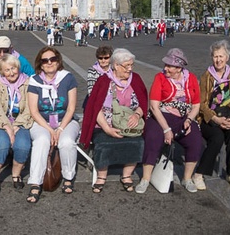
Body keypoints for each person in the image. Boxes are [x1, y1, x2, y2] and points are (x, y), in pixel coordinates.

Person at [80, 48, 148, 193]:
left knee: (137, 142)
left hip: (129, 122)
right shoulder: (103, 81)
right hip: (105, 123)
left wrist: (137, 115)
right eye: (127, 65)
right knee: (104, 143)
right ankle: (102, 175)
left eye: (131, 65)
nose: (130, 69)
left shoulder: (136, 79)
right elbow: (95, 107)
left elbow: (144, 102)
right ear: (116, 65)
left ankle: (126, 175)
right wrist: (107, 129)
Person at [136, 48, 202, 194]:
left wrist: (189, 120)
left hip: (184, 117)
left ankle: (187, 178)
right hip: (162, 115)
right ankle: (145, 178)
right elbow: (154, 107)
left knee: (195, 140)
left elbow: (196, 105)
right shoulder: (160, 78)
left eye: (169, 66)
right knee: (153, 137)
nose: (165, 68)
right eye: (165, 65)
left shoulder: (191, 78)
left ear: (179, 68)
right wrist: (166, 129)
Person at [25, 46, 79, 203]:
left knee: (67, 141)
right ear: (40, 64)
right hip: (42, 122)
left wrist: (60, 128)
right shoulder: (34, 80)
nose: (49, 63)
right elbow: (34, 111)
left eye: (53, 59)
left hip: (66, 120)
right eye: (45, 60)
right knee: (42, 141)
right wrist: (50, 130)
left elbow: (71, 108)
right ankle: (36, 182)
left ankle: (68, 177)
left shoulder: (68, 78)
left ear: (58, 61)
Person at [193, 40, 230, 190]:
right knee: (217, 137)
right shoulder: (206, 76)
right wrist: (215, 118)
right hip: (209, 117)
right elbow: (201, 104)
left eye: (221, 56)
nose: (218, 60)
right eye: (215, 56)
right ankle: (199, 174)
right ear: (211, 57)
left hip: (227, 115)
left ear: (227, 57)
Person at [0, 54, 33, 193]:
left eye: (13, 68)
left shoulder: (28, 82)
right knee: (2, 143)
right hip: (0, 122)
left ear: (18, 68)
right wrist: (8, 127)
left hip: (22, 122)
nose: (11, 72)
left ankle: (16, 173)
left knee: (23, 145)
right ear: (2, 72)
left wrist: (16, 126)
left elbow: (30, 108)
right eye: (7, 70)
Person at [83, 45, 114, 110]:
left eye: (106, 58)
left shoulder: (114, 69)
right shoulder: (93, 70)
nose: (103, 60)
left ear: (110, 58)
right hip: (98, 103)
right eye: (100, 58)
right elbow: (91, 90)